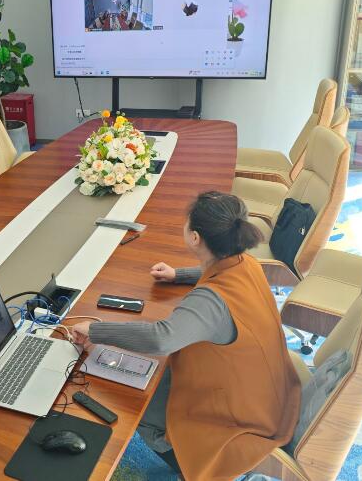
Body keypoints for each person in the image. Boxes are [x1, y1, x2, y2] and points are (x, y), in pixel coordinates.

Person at [72, 191, 301, 481]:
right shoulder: (248, 263)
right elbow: (217, 272)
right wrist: (178, 274)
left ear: (194, 238)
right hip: (267, 389)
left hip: (240, 414)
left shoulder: (210, 300)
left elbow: (161, 338)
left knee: (136, 400)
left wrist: (94, 330)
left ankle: (184, 463)